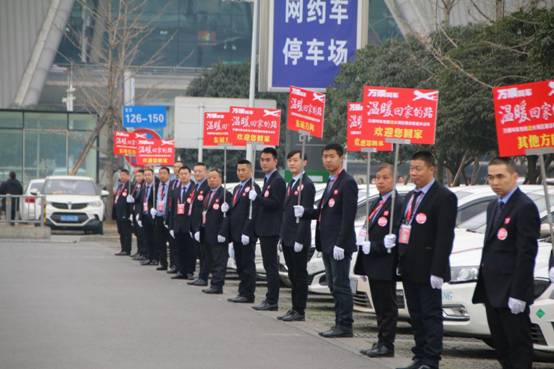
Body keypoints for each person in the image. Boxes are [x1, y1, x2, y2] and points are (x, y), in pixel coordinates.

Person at [390, 151, 457, 369]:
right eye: (411, 169)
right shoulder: (411, 197)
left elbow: (444, 237)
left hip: (429, 268)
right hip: (409, 265)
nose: (414, 173)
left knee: (430, 315)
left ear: (431, 169)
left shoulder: (444, 197)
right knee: (415, 315)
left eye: (418, 169)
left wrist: (438, 270)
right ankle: (419, 356)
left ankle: (431, 359)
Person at [472, 157, 539, 369]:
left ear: (514, 177)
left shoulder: (524, 206)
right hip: (492, 289)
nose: (494, 182)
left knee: (517, 345)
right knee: (500, 345)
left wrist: (519, 293)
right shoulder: (494, 205)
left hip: (511, 291)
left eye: (500, 176)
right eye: (490, 177)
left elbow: (526, 254)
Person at [294, 143, 358, 338]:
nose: (328, 160)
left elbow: (348, 217)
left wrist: (341, 242)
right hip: (328, 242)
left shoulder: (347, 182)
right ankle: (339, 322)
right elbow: (324, 212)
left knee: (341, 285)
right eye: (325, 156)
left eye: (332, 156)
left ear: (341, 158)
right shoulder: (332, 181)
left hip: (339, 244)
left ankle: (345, 325)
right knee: (333, 285)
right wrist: (305, 212)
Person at [354, 163, 403, 358]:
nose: (380, 181)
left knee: (387, 306)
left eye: (385, 178)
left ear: (395, 179)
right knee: (379, 305)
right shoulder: (379, 201)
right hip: (373, 261)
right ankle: (381, 339)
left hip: (385, 261)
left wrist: (376, 246)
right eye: (378, 178)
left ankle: (387, 344)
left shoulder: (397, 203)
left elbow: (396, 233)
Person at [278, 150, 315, 322]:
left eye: (296, 160)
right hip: (287, 236)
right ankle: (294, 308)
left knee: (299, 275)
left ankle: (300, 310)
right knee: (292, 275)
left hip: (298, 238)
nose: (292, 163)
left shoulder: (307, 185)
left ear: (304, 162)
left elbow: (305, 217)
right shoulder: (291, 183)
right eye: (290, 160)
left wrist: (300, 239)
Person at [250, 147, 286, 311]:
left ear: (275, 161)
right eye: (262, 160)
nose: (264, 163)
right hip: (265, 228)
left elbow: (276, 204)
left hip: (272, 229)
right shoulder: (267, 179)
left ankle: (272, 300)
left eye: (267, 160)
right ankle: (269, 298)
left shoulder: (277, 180)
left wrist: (257, 198)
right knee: (267, 265)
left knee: (271, 266)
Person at [223, 159, 260, 303]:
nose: (241, 173)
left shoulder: (253, 188)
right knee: (239, 264)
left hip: (246, 233)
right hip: (236, 233)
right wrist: (227, 208)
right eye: (238, 170)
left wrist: (247, 231)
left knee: (247, 265)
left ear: (250, 171)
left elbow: (254, 212)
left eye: (243, 170)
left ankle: (248, 294)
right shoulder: (237, 188)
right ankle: (242, 291)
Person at [198, 168, 232, 294]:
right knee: (209, 258)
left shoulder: (225, 194)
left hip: (218, 233)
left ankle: (217, 285)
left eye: (214, 177)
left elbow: (228, 215)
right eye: (209, 178)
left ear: (220, 179)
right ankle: (212, 283)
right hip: (207, 231)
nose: (211, 180)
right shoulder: (208, 194)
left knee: (219, 260)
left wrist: (223, 232)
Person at [168, 166, 195, 280]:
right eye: (181, 174)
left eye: (185, 173)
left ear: (190, 175)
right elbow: (172, 209)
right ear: (178, 176)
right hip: (178, 224)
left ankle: (189, 271)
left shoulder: (194, 190)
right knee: (178, 249)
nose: (183, 176)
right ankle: (180, 270)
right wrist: (171, 226)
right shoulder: (175, 191)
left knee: (190, 249)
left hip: (189, 225)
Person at [187, 162, 211, 286]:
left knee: (204, 254)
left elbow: (204, 209)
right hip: (194, 225)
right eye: (195, 171)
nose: (197, 173)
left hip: (201, 226)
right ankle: (201, 275)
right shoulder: (195, 186)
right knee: (199, 252)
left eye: (200, 171)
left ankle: (204, 277)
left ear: (206, 173)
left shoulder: (207, 187)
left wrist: (197, 227)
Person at [140, 168, 160, 266]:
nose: (147, 177)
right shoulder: (143, 186)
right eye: (146, 175)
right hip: (145, 215)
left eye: (149, 175)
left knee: (155, 238)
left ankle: (156, 258)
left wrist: (154, 208)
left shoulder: (157, 186)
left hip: (153, 216)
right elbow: (141, 201)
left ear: (153, 175)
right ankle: (149, 257)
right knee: (147, 238)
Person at [166, 161, 183, 274]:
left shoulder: (187, 183)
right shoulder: (172, 183)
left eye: (179, 167)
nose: (176, 169)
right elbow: (169, 200)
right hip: (173, 216)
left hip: (182, 218)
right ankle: (173, 264)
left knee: (180, 245)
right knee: (172, 244)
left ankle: (180, 266)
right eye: (175, 167)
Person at [113, 169, 133, 256]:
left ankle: (127, 249)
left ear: (128, 176)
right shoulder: (120, 186)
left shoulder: (130, 186)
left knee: (126, 232)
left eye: (124, 175)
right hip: (119, 213)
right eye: (121, 175)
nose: (122, 177)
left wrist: (129, 213)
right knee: (121, 231)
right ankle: (123, 248)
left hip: (126, 213)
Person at [129, 169, 146, 260]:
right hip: (135, 212)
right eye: (136, 176)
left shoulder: (144, 186)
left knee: (142, 233)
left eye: (139, 176)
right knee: (137, 233)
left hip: (140, 212)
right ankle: (139, 251)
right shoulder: (136, 186)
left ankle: (144, 252)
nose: (138, 178)